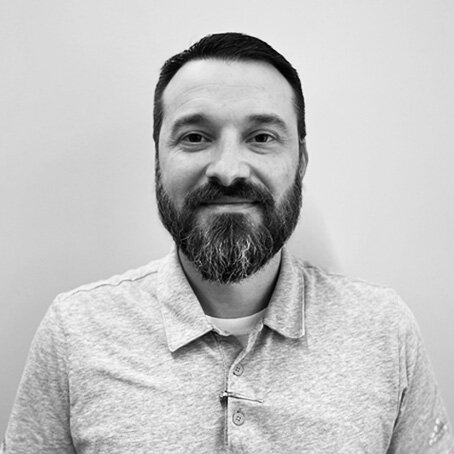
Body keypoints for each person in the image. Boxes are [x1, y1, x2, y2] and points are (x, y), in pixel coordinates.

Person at [2, 32, 452, 454]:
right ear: (158, 159)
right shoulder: (75, 332)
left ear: (301, 161)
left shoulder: (383, 330)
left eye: (262, 138)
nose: (229, 169)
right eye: (195, 137)